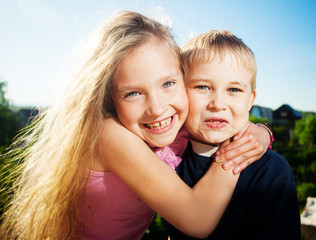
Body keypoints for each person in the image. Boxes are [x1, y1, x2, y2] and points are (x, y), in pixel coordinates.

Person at [0, 12, 271, 240]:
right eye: (133, 93)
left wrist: (260, 131)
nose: (156, 108)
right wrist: (238, 148)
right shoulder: (109, 135)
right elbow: (198, 219)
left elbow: (213, 124)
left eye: (168, 84)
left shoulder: (171, 126)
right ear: (108, 97)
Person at [169, 30, 301, 240]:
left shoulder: (270, 171)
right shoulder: (167, 161)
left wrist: (264, 130)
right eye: (203, 87)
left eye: (234, 90)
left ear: (251, 100)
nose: (218, 104)